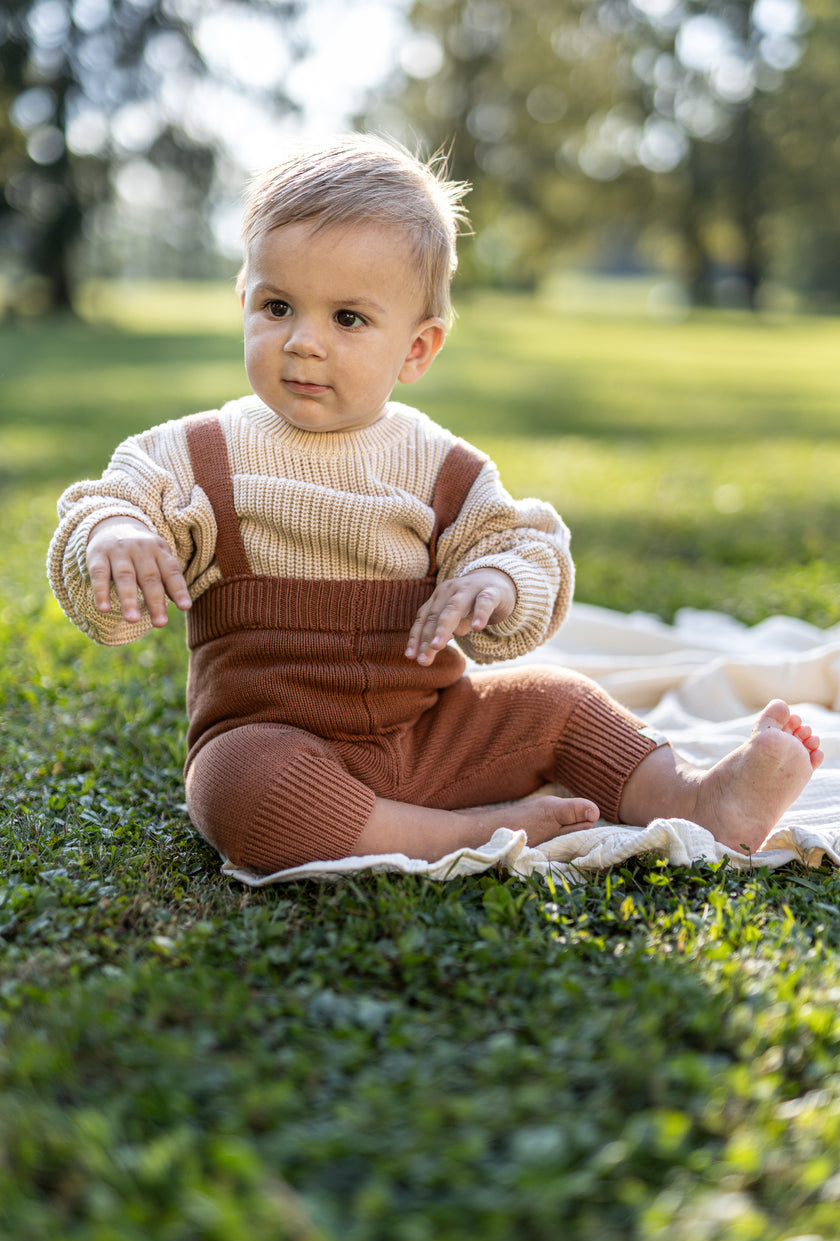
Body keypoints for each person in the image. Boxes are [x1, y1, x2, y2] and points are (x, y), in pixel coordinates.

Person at [48, 134, 823, 874]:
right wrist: (114, 535)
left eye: (347, 318)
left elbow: (524, 543)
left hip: (434, 734)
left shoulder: (439, 465)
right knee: (231, 786)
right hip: (280, 739)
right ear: (244, 299)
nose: (303, 342)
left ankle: (697, 797)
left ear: (416, 349)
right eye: (278, 307)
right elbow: (106, 507)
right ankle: (448, 834)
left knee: (557, 699)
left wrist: (498, 586)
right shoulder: (192, 454)